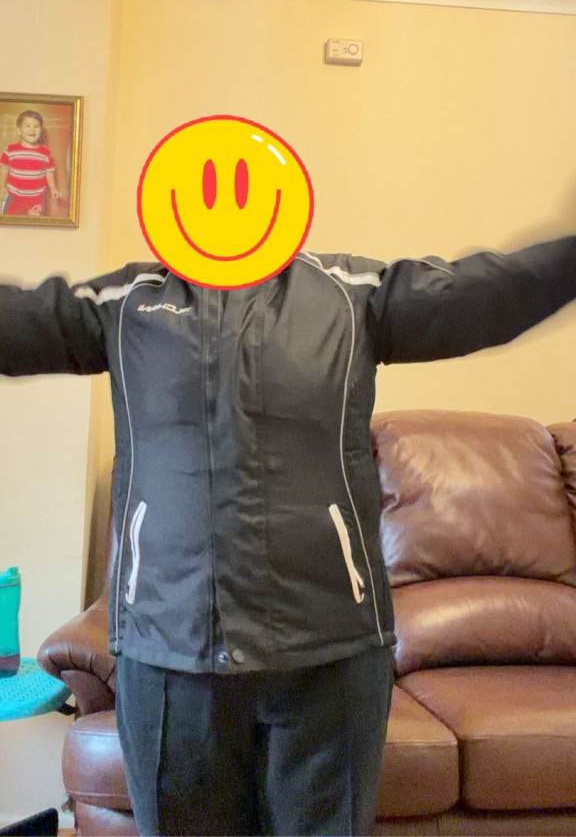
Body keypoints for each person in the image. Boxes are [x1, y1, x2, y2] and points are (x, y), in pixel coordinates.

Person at [1, 237, 575, 836]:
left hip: (328, 653)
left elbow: (480, 296)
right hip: (169, 653)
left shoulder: (350, 294)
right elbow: (18, 325)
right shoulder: (127, 303)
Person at [0, 110, 60, 217]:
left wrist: (53, 187)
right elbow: (4, 169)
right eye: (27, 126)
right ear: (19, 130)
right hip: (14, 196)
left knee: (34, 222)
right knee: (11, 220)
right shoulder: (11, 150)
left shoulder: (45, 153)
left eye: (36, 126)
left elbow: (49, 172)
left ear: (41, 130)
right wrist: (2, 186)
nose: (32, 129)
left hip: (36, 198)